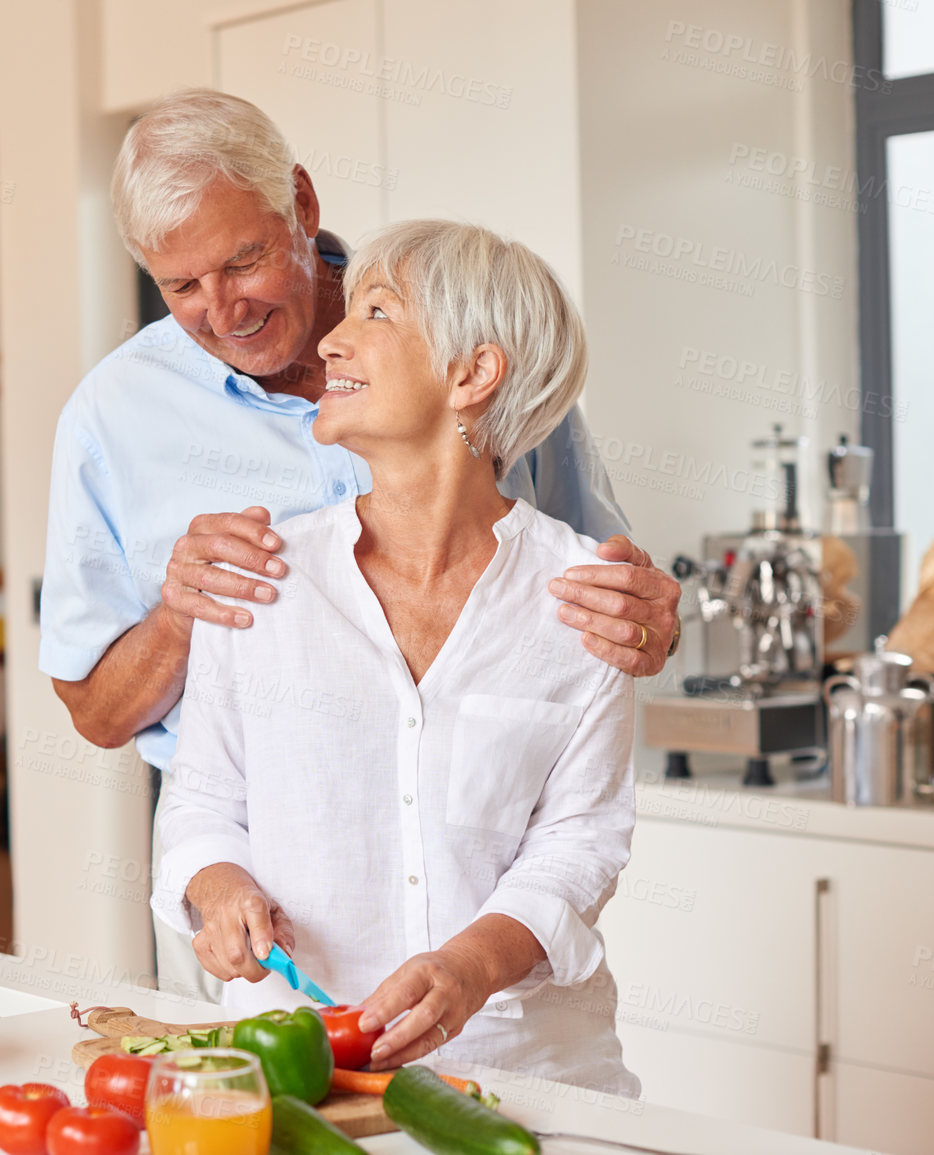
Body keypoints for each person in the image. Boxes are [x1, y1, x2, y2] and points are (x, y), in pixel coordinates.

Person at [40, 88, 679, 1000]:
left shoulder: (467, 331)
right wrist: (185, 614)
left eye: (242, 261)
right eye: (180, 287)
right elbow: (103, 717)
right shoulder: (113, 416)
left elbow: (606, 610)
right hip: (259, 883)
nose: (220, 311)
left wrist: (650, 623)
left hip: (486, 899)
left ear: (300, 204)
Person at [154, 218, 638, 1095]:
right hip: (293, 1066)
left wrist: (467, 968)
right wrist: (218, 887)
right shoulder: (258, 575)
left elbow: (579, 842)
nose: (331, 338)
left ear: (471, 374)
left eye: (374, 311)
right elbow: (201, 801)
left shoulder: (585, 598)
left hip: (525, 1079)